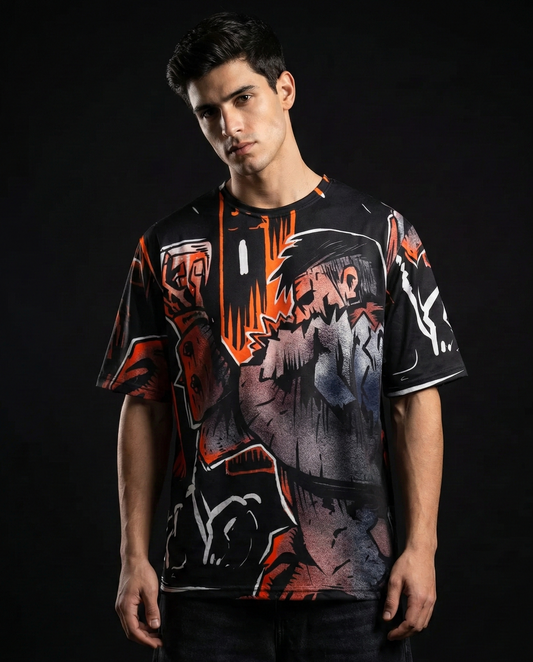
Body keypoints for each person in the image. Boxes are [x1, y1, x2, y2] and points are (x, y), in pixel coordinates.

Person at [97, 11, 466, 661]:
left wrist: (421, 547)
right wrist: (133, 556)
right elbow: (145, 405)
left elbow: (414, 398)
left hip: (357, 589)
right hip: (205, 590)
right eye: (208, 112)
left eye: (243, 98)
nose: (230, 126)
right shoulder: (168, 247)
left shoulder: (380, 233)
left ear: (284, 89)